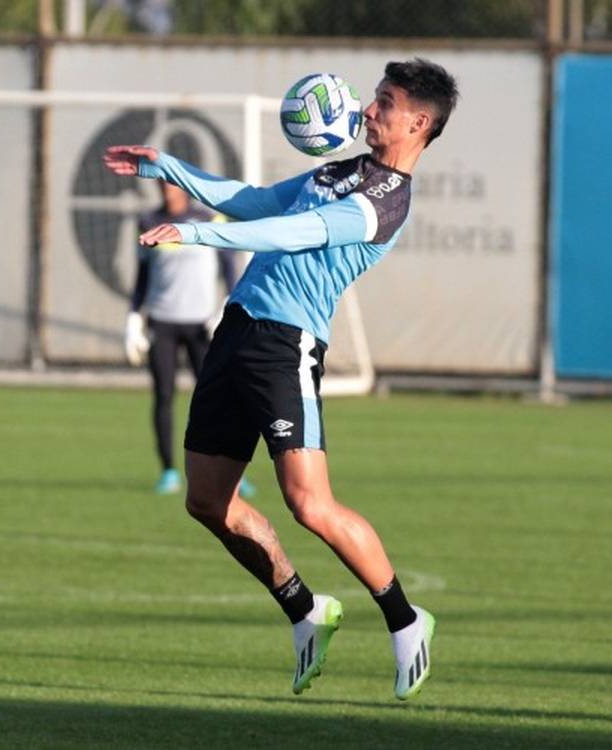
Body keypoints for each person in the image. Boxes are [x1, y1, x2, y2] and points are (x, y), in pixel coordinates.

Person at [104, 58, 458, 700]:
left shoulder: (386, 202)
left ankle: (406, 621)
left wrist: (195, 235)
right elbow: (255, 201)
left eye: (384, 101)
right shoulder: (339, 170)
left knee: (308, 503)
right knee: (206, 501)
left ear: (419, 122)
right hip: (235, 333)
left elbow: (296, 233)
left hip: (284, 347)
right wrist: (170, 168)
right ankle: (305, 610)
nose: (369, 109)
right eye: (373, 97)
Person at [125, 180, 254, 498]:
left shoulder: (210, 220)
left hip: (202, 325)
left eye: (172, 184)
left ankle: (231, 472)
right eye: (162, 185)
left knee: (218, 399)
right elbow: (142, 276)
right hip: (163, 321)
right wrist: (133, 318)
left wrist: (227, 309)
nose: (166, 190)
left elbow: (229, 271)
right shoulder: (149, 221)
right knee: (164, 395)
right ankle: (168, 470)